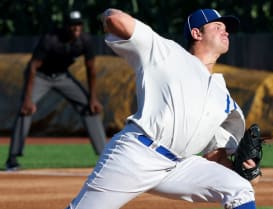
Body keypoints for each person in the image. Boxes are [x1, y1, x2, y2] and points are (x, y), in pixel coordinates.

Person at [66, 8, 259, 209]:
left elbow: (215, 157)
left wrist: (248, 171)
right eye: (218, 26)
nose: (225, 31)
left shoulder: (223, 96)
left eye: (226, 29)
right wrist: (106, 15)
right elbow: (115, 19)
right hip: (137, 155)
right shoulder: (166, 53)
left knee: (239, 188)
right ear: (196, 33)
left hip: (178, 166)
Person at [5, 10, 107, 170]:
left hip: (62, 77)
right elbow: (32, 67)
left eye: (79, 24)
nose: (76, 28)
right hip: (41, 76)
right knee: (25, 110)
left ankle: (105, 157)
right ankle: (12, 159)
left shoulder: (85, 41)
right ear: (66, 26)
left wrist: (92, 98)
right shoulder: (50, 40)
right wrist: (27, 99)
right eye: (73, 25)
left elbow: (91, 69)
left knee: (90, 108)